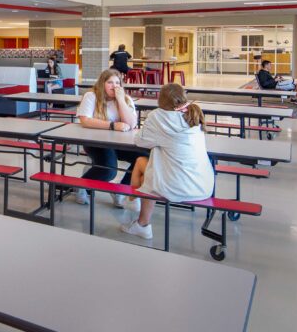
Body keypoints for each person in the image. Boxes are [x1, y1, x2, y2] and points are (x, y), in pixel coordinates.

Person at [120, 83, 214, 239]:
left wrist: (158, 141)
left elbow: (140, 141)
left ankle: (140, 219)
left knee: (147, 173)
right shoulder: (192, 113)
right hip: (203, 185)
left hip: (177, 187)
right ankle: (135, 209)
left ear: (160, 100)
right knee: (144, 168)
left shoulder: (158, 116)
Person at [75, 69, 140, 207]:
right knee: (109, 170)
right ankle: (81, 185)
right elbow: (85, 120)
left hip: (121, 144)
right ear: (102, 84)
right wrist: (112, 125)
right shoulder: (91, 96)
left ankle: (120, 191)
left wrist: (121, 100)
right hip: (96, 142)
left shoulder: (126, 99)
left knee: (144, 157)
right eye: (110, 82)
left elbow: (132, 124)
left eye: (117, 82)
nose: (114, 86)